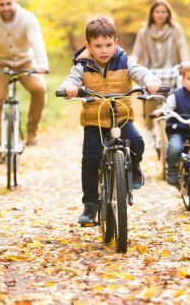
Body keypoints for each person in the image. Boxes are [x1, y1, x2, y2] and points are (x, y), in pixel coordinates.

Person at [60, 16, 161, 226]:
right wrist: (70, 88)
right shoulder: (82, 65)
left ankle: (134, 166)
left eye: (108, 45)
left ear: (115, 43)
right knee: (90, 159)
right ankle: (90, 205)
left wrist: (149, 80)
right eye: (98, 46)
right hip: (94, 120)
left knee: (137, 142)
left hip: (121, 117)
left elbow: (139, 72)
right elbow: (71, 80)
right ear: (89, 47)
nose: (104, 50)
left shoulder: (124, 60)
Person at [0, 0, 49, 165]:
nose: (5, 8)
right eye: (1, 5)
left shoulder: (28, 18)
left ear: (15, 2)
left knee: (39, 89)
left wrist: (42, 65)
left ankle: (32, 131)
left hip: (25, 62)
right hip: (0, 64)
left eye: (9, 3)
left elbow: (37, 42)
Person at [132, 0, 190, 147]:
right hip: (151, 72)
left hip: (171, 71)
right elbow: (136, 53)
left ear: (168, 14)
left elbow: (182, 48)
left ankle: (178, 130)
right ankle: (149, 127)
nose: (160, 14)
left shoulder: (175, 29)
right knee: (150, 100)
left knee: (176, 101)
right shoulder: (144, 32)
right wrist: (130, 65)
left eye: (163, 11)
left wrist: (186, 65)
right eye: (157, 11)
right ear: (152, 14)